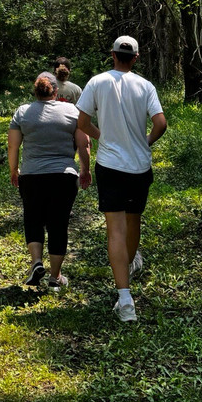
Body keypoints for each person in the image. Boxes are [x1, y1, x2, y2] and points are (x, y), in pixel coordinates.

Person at [76, 36, 167, 322]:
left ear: (112, 55)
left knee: (114, 229)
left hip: (110, 165)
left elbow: (82, 123)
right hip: (139, 166)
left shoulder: (96, 82)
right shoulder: (145, 86)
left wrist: (106, 138)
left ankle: (125, 300)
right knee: (133, 221)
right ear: (136, 58)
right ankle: (126, 273)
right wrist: (144, 142)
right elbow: (160, 123)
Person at [8, 71, 92, 290]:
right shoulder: (71, 110)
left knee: (33, 219)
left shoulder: (23, 112)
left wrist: (14, 170)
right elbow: (84, 144)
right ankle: (55, 278)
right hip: (63, 177)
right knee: (58, 224)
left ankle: (36, 262)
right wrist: (85, 170)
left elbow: (13, 146)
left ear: (35, 91)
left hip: (32, 176)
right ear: (56, 91)